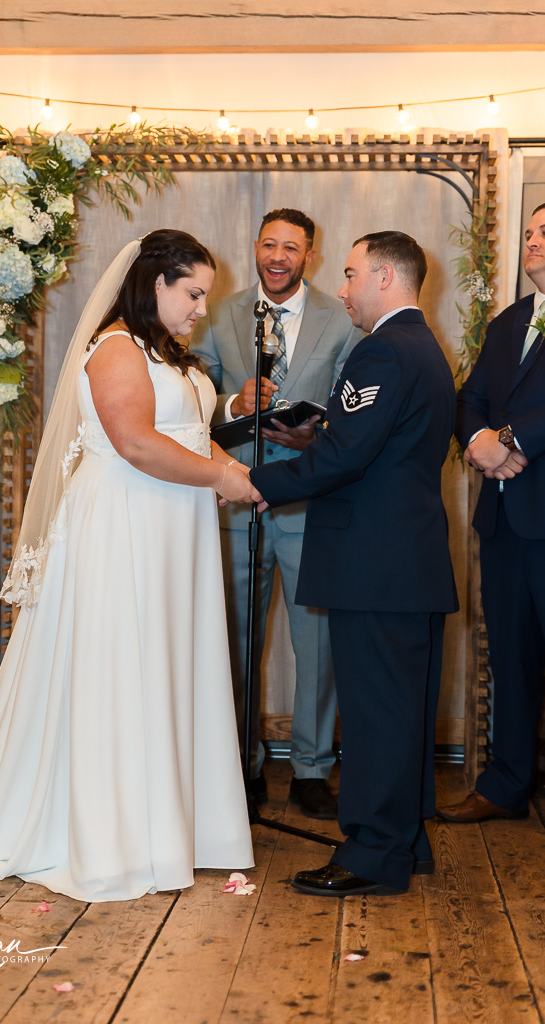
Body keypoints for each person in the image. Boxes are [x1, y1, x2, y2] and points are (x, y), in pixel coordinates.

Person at [0, 230, 256, 902]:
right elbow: (133, 441)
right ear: (153, 282)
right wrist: (223, 477)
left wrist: (231, 463)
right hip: (123, 525)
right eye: (191, 293)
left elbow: (185, 435)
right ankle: (112, 836)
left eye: (203, 296)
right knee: (121, 665)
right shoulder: (114, 348)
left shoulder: (170, 354)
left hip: (171, 527)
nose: (199, 309)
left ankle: (172, 829)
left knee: (165, 662)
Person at [248, 231, 458, 896]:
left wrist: (257, 483)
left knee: (375, 717)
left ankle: (371, 854)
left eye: (349, 273)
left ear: (386, 279)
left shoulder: (382, 352)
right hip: (402, 563)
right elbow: (370, 446)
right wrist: (322, 436)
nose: (340, 289)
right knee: (400, 711)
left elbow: (345, 460)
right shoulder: (422, 348)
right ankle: (403, 842)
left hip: (376, 564)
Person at [191, 209, 361, 819]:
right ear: (255, 247)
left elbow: (355, 404)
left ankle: (313, 769)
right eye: (269, 244)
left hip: (312, 502)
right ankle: (240, 764)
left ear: (309, 256)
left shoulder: (341, 318)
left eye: (292, 247)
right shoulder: (218, 312)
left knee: (316, 644)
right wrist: (234, 401)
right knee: (234, 639)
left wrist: (318, 436)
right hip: (237, 500)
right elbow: (191, 398)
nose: (279, 256)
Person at [437, 202, 545, 824]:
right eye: (528, 232)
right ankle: (506, 787)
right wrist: (482, 443)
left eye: (543, 233)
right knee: (509, 657)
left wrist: (508, 439)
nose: (531, 241)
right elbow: (468, 397)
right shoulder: (509, 323)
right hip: (504, 521)